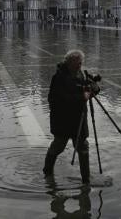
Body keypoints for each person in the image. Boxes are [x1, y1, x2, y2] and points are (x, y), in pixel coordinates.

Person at [43, 50, 99, 185]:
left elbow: (94, 90)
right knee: (58, 146)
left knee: (83, 149)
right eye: (76, 63)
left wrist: (92, 87)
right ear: (68, 62)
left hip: (79, 119)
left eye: (81, 63)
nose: (79, 66)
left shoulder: (82, 75)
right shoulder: (59, 77)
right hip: (62, 119)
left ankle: (86, 180)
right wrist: (82, 97)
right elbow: (58, 98)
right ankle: (47, 171)